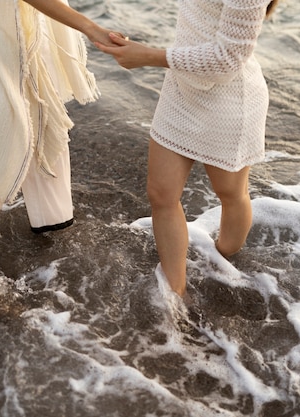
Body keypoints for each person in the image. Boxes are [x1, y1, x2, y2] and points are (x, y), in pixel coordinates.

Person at [96, 0, 279, 297]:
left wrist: (148, 56)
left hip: (229, 100)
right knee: (161, 194)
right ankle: (175, 295)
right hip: (180, 90)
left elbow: (226, 60)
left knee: (231, 194)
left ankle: (224, 264)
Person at [0, 0, 117, 241]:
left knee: (40, 111)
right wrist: (90, 28)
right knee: (13, 118)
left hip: (28, 18)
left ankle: (51, 218)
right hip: (2, 15)